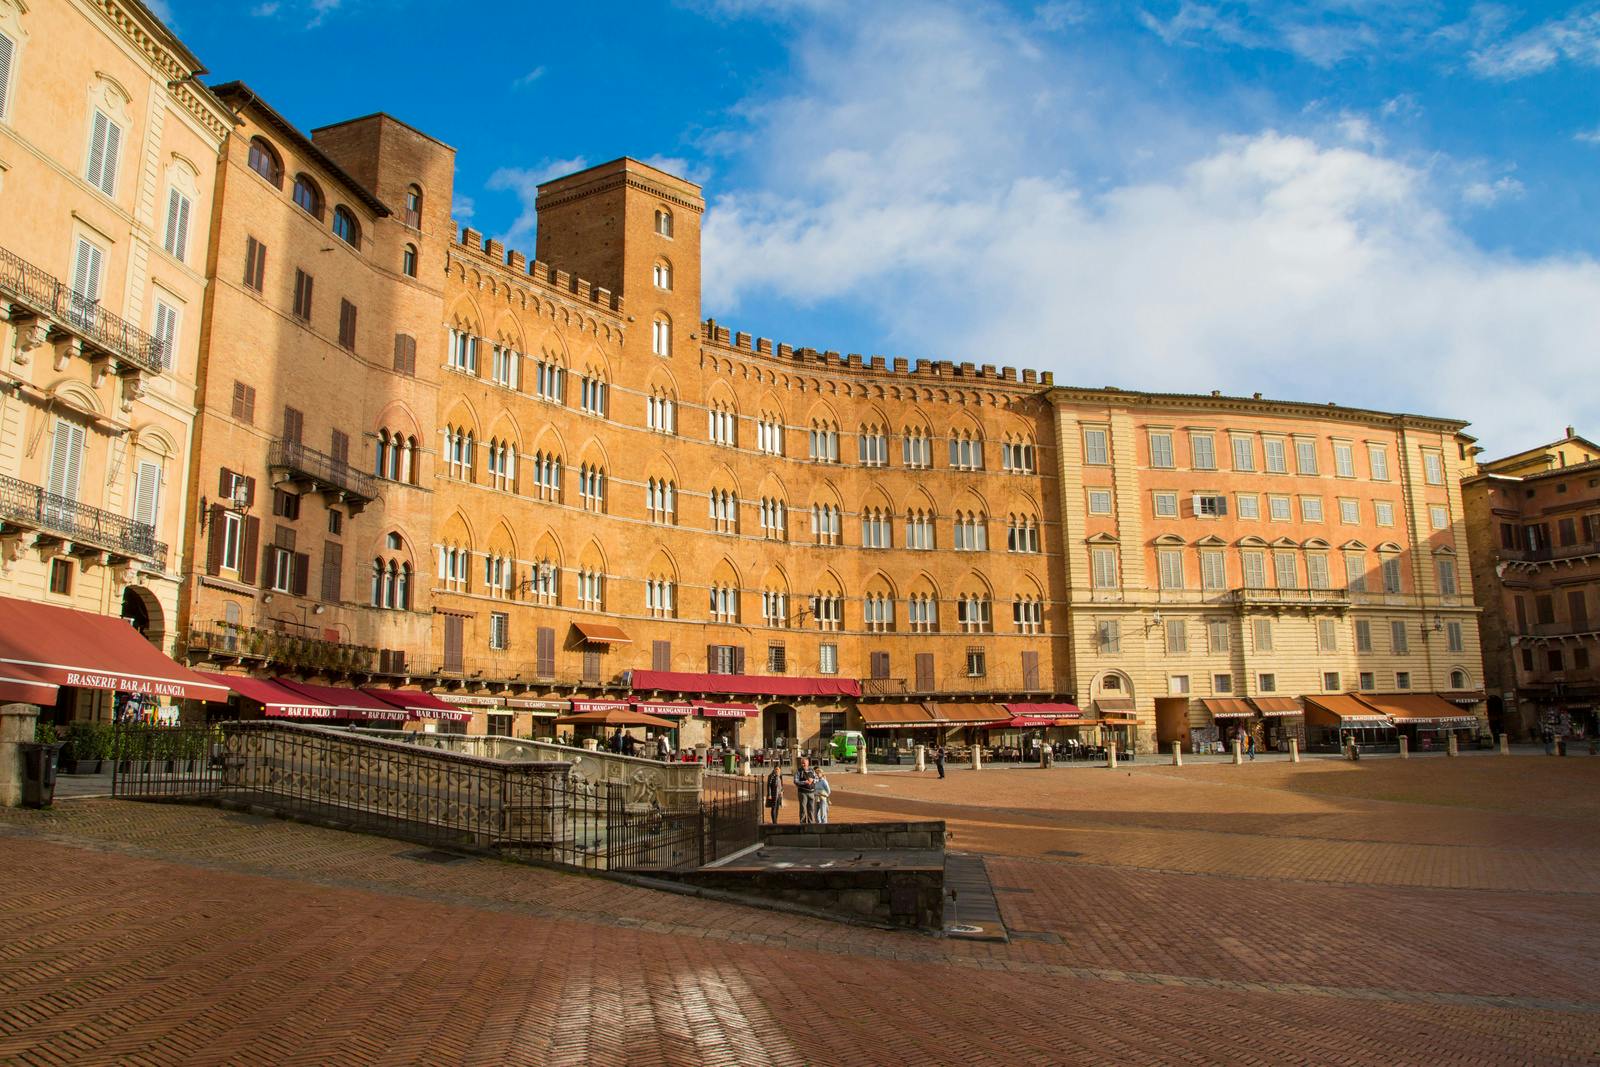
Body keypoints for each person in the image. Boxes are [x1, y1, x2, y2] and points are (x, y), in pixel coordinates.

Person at [793, 757, 818, 824]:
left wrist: (813, 780)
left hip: (811, 793)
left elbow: (817, 778)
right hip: (803, 793)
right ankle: (803, 824)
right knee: (803, 809)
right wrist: (805, 782)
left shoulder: (812, 770)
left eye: (804, 763)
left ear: (808, 763)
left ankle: (811, 824)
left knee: (811, 809)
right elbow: (795, 781)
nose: (803, 764)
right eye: (802, 763)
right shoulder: (799, 771)